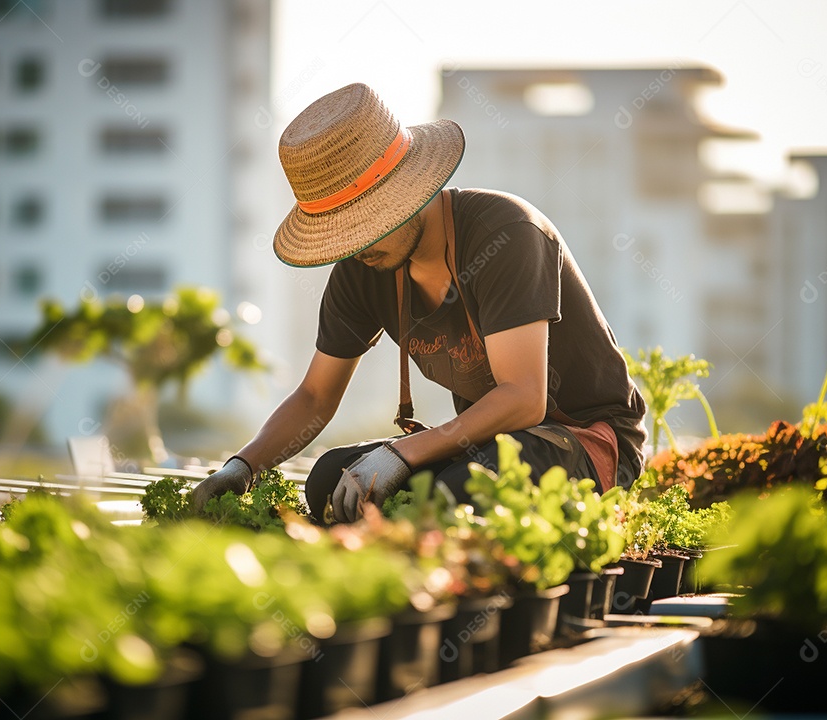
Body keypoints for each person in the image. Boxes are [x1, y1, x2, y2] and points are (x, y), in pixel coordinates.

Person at [191, 82, 646, 524]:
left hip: (585, 441)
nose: (355, 247)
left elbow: (524, 399)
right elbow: (314, 396)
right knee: (330, 479)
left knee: (462, 491)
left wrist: (400, 454)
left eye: (367, 225)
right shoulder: (363, 266)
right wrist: (243, 468)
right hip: (486, 447)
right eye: (344, 233)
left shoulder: (506, 234)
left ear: (408, 194)